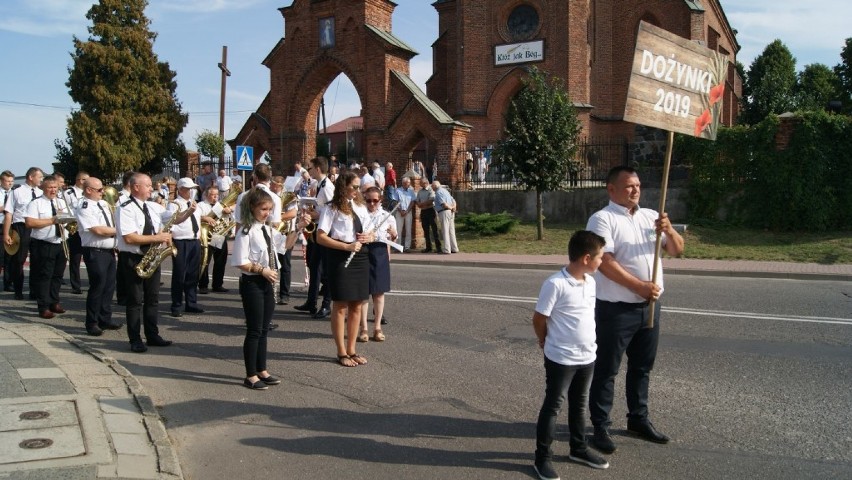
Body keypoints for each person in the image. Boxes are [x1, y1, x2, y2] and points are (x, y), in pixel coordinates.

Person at [586, 166, 684, 453]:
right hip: (616, 310)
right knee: (607, 369)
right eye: (628, 186)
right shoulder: (601, 220)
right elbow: (605, 262)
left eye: (638, 185)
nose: (635, 190)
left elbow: (676, 250)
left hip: (650, 308)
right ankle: (600, 426)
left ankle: (638, 419)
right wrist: (639, 286)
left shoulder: (651, 216)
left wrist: (669, 230)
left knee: (642, 368)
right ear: (611, 189)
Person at [533, 231, 610, 479]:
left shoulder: (591, 282)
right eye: (600, 257)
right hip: (561, 359)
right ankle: (542, 458)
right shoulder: (555, 284)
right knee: (553, 406)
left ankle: (578, 448)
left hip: (587, 357)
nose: (602, 261)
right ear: (587, 258)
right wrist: (544, 340)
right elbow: (539, 318)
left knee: (579, 405)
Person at [116, 173, 185, 353]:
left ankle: (152, 335)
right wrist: (157, 237)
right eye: (147, 185)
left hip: (152, 256)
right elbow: (129, 237)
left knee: (152, 298)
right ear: (135, 187)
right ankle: (135, 338)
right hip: (133, 258)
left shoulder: (152, 207)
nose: (151, 188)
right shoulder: (125, 208)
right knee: (135, 300)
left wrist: (166, 237)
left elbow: (166, 223)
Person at [316, 170, 376, 367]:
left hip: (360, 256)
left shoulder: (359, 206)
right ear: (344, 186)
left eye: (359, 187)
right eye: (355, 187)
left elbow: (371, 230)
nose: (358, 190)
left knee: (357, 304)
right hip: (341, 256)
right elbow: (321, 236)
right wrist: (346, 246)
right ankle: (341, 351)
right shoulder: (331, 208)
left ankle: (352, 349)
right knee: (341, 305)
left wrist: (370, 237)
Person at [232, 187, 281, 390]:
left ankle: (262, 369)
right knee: (254, 330)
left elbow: (284, 245)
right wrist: (262, 270)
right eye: (263, 209)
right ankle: (250, 375)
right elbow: (240, 261)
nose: (267, 213)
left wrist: (299, 229)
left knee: (263, 329)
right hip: (253, 283)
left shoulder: (267, 229)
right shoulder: (245, 231)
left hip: (266, 282)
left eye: (269, 209)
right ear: (252, 208)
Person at [75, 176, 123, 336]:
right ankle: (92, 322)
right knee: (98, 286)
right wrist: (121, 232)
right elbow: (98, 230)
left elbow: (112, 224)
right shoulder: (84, 206)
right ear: (88, 190)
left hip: (109, 250)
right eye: (99, 190)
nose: (103, 192)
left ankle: (105, 318)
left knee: (109, 286)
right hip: (95, 251)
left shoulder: (103, 203)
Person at [294, 156, 334, 319]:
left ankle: (326, 305)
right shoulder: (320, 185)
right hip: (317, 229)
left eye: (310, 168)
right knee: (314, 266)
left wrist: (316, 214)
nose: (309, 171)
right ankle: (311, 302)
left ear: (317, 168)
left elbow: (332, 210)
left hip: (326, 232)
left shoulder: (328, 187)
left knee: (325, 269)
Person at [25, 175, 68, 319]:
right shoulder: (36, 203)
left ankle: (54, 302)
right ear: (43, 187)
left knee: (58, 275)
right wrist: (52, 220)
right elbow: (29, 223)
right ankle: (43, 306)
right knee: (45, 276)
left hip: (60, 241)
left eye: (55, 187)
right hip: (44, 243)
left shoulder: (61, 202)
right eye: (50, 187)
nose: (53, 190)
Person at [358, 187, 397, 342]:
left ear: (380, 200)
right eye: (369, 200)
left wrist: (393, 234)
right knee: (363, 293)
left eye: (375, 200)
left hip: (379, 253)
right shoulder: (360, 214)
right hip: (363, 252)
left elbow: (393, 237)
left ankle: (377, 327)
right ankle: (363, 328)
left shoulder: (386, 216)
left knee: (379, 292)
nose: (372, 204)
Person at [166, 178, 204, 317]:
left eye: (192, 189)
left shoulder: (195, 204)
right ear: (181, 189)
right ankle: (176, 305)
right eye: (188, 189)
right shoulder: (175, 204)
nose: (191, 191)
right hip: (181, 242)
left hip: (194, 241)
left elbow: (198, 220)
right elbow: (172, 221)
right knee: (179, 275)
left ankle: (191, 303)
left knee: (192, 275)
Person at [4, 167, 44, 300]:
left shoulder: (41, 192)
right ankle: (18, 290)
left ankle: (34, 291)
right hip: (21, 227)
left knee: (37, 260)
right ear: (31, 177)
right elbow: (9, 213)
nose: (41, 180)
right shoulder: (17, 191)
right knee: (19, 260)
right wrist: (6, 234)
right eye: (39, 177)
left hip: (36, 227)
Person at [197, 186, 231, 295]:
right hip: (206, 235)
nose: (216, 197)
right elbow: (194, 216)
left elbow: (227, 220)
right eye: (213, 195)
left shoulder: (220, 205)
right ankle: (203, 285)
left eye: (217, 195)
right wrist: (204, 218)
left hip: (218, 235)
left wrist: (227, 212)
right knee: (205, 261)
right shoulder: (201, 205)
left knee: (220, 261)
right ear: (207, 195)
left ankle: (217, 284)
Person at [62, 171, 89, 294]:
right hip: (75, 228)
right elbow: (64, 209)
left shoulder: (89, 193)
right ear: (79, 180)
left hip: (87, 228)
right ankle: (76, 285)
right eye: (84, 180)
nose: (86, 182)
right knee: (75, 258)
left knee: (89, 258)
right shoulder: (68, 193)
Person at [432, 180, 459, 254]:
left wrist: (450, 208)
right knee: (451, 231)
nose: (432, 188)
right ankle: (454, 248)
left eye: (432, 186)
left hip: (444, 212)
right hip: (451, 212)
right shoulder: (445, 191)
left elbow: (443, 204)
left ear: (435, 186)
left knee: (445, 231)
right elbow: (454, 201)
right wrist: (453, 208)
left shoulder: (438, 193)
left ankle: (447, 249)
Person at [415, 177, 441, 253]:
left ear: (425, 183)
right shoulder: (420, 191)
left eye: (421, 183)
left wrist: (422, 204)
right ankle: (428, 247)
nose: (420, 184)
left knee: (434, 229)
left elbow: (431, 200)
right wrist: (421, 205)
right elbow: (417, 201)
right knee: (425, 230)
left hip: (430, 210)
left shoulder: (431, 189)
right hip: (423, 211)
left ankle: (438, 247)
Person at [0, 170, 15, 291]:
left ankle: (8, 283)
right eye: (7, 181)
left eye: (11, 181)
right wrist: (7, 207)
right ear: (1, 181)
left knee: (10, 255)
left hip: (12, 225)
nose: (10, 183)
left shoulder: (15, 193)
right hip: (0, 224)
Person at [393, 177, 415, 252]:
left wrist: (407, 210)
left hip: (408, 212)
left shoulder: (411, 191)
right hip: (399, 212)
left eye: (408, 183)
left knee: (408, 230)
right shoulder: (397, 190)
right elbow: (395, 201)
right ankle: (398, 247)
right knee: (398, 229)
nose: (407, 184)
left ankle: (407, 247)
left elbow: (412, 202)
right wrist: (400, 210)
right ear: (403, 183)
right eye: (406, 183)